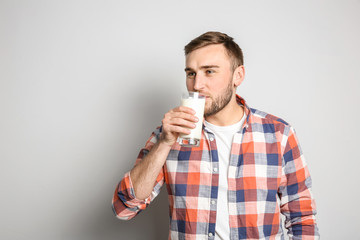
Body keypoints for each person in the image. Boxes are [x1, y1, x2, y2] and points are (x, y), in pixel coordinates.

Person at [112, 31, 320, 239]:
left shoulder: (278, 134)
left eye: (209, 71)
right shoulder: (169, 134)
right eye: (191, 73)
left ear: (238, 75)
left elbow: (302, 218)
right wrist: (164, 144)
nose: (197, 85)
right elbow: (124, 209)